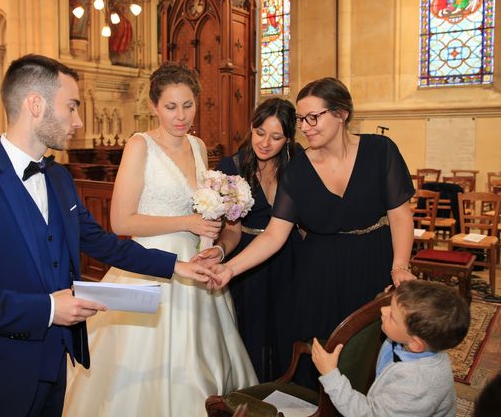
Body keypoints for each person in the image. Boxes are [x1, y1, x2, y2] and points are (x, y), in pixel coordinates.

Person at [0, 54, 216, 417]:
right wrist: (47, 308)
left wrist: (177, 267)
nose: (78, 121)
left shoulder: (59, 178)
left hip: (56, 362)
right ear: (35, 104)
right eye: (72, 106)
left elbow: (102, 243)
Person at [63, 62, 258, 416]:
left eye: (188, 105)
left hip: (196, 263)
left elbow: (205, 209)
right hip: (150, 262)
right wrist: (190, 221)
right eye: (171, 107)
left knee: (202, 355)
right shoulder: (140, 146)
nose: (181, 116)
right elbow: (121, 220)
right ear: (154, 106)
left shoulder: (198, 146)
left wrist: (213, 240)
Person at [207, 77, 416, 386]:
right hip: (319, 274)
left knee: (373, 356)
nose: (305, 126)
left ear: (341, 113)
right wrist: (229, 268)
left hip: (374, 262)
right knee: (323, 356)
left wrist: (400, 267)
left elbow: (400, 216)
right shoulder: (299, 169)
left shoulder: (380, 150)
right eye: (302, 119)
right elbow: (275, 234)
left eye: (312, 117)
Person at [198, 97, 302, 381]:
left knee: (288, 328)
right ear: (251, 127)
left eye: (276, 137)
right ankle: (256, 395)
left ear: (288, 138)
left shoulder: (297, 163)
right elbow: (231, 230)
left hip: (289, 254)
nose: (265, 143)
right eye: (260, 132)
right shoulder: (231, 167)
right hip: (247, 259)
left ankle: (290, 393)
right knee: (252, 331)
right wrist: (220, 251)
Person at [311, 280, 470, 416]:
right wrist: (391, 299)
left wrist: (330, 374)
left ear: (415, 344)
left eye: (392, 316)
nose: (383, 310)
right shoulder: (418, 342)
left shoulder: (415, 386)